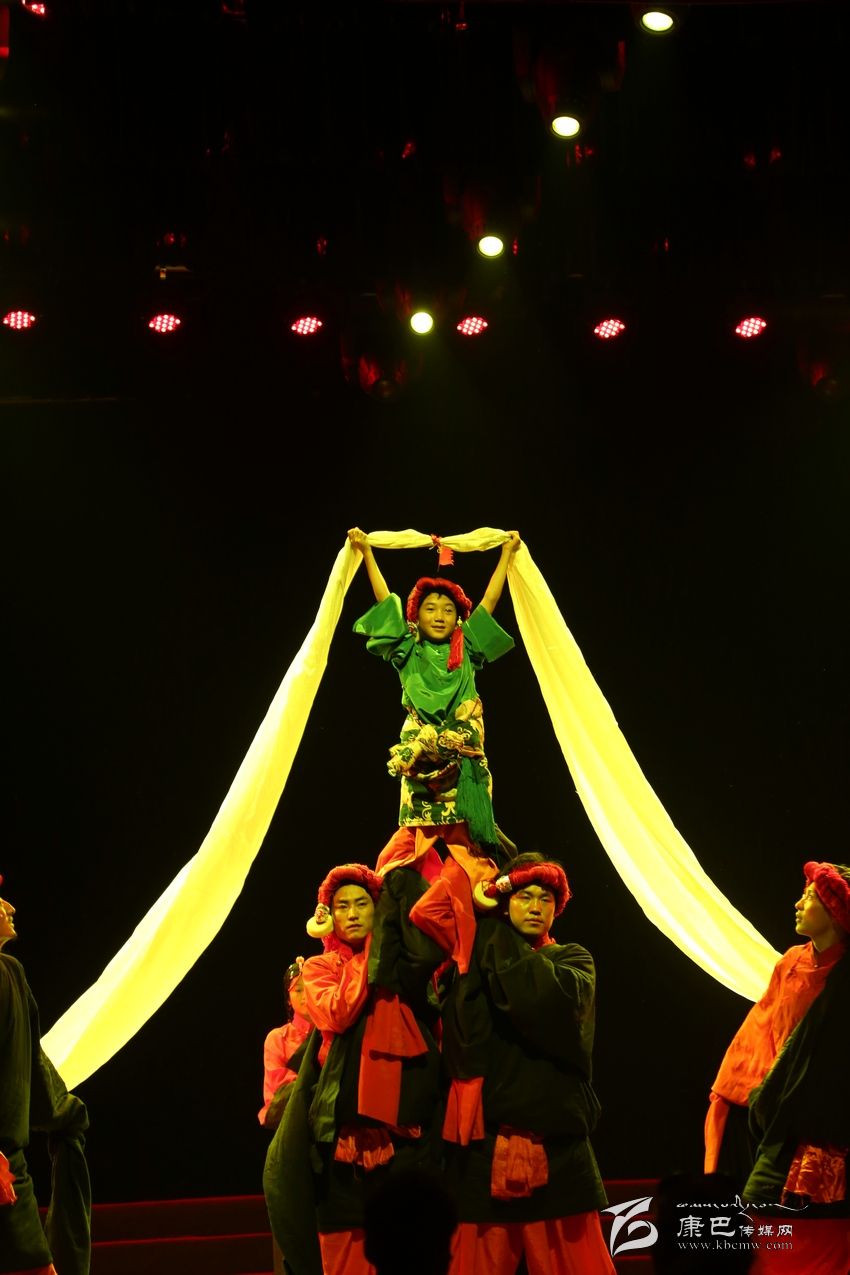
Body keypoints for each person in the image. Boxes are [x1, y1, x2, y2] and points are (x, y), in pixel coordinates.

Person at [410, 851, 616, 1275]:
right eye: (524, 896)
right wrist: (469, 862)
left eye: (545, 898)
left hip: (557, 1145)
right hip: (482, 1142)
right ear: (503, 902)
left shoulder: (572, 961)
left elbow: (536, 1000)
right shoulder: (471, 959)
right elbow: (425, 913)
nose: (536, 906)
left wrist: (490, 927)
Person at [263, 862, 445, 1275]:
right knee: (346, 1250)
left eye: (362, 904)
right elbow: (338, 1012)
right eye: (342, 906)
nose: (353, 913)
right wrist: (375, 950)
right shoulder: (319, 968)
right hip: (344, 1130)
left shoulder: (400, 961)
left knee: (411, 1249)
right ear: (329, 916)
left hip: (404, 1127)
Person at [704, 860, 850, 1274]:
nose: (798, 904)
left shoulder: (845, 975)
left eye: (809, 897)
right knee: (768, 1233)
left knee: (826, 1241)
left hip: (832, 1123)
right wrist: (752, 1096)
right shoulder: (790, 963)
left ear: (835, 911)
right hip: (782, 1114)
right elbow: (762, 1032)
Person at [347, 527, 520, 870]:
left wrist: (505, 555)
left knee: (477, 849)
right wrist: (367, 552)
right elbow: (385, 600)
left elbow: (489, 602)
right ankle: (389, 883)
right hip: (421, 760)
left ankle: (496, 880)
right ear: (416, 616)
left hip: (462, 754)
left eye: (447, 610)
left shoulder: (466, 648)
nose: (439, 616)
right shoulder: (407, 650)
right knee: (405, 849)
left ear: (458, 619)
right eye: (430, 608)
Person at [0, 879, 91, 1275]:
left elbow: (32, 1064)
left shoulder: (12, 973)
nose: (9, 906)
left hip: (10, 1165)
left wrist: (64, 1113)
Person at [258, 957, 313, 1131]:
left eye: (310, 987)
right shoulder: (277, 1038)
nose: (305, 996)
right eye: (298, 990)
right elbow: (279, 1088)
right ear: (288, 999)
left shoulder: (330, 1028)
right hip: (296, 1123)